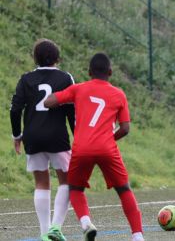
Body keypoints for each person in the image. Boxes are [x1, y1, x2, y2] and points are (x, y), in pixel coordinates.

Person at [44, 53, 144, 241]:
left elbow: (49, 101)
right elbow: (125, 128)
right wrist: (110, 138)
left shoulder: (79, 89)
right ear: (111, 72)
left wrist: (61, 96)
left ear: (89, 72)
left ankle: (85, 223)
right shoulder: (119, 94)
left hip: (81, 148)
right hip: (107, 148)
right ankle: (137, 235)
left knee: (75, 188)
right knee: (123, 189)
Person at [10, 39, 75, 241]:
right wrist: (78, 136)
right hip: (57, 136)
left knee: (41, 183)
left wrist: (17, 135)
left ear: (34, 58)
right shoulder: (66, 78)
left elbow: (15, 109)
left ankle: (44, 233)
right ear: (57, 58)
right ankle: (56, 228)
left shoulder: (26, 78)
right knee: (68, 181)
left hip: (32, 136)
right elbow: (72, 110)